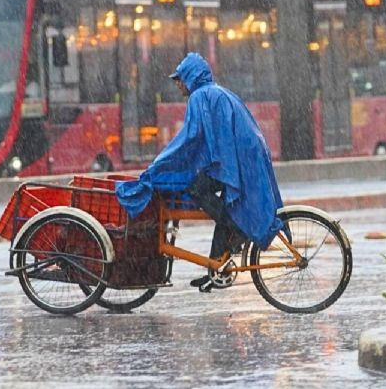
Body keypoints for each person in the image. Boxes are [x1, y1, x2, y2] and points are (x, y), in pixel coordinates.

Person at [116, 52, 284, 291]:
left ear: (191, 77)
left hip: (238, 157)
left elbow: (190, 138)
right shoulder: (216, 92)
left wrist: (161, 163)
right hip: (245, 153)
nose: (177, 84)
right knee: (223, 207)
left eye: (180, 79)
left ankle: (235, 228)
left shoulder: (200, 97)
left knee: (198, 189)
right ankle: (216, 267)